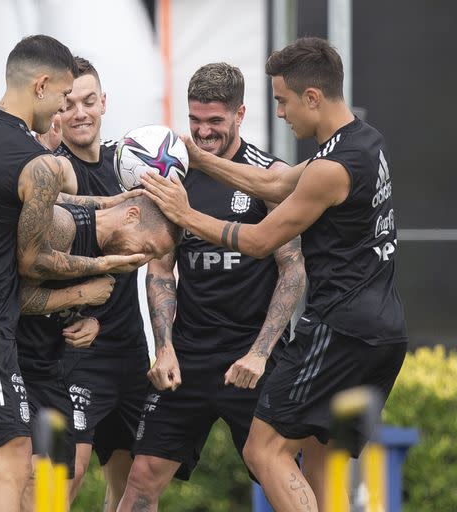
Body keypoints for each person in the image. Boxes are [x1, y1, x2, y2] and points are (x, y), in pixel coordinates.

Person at [141, 38, 407, 511]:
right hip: (381, 334)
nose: (280, 113)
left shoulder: (333, 168)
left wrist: (184, 213)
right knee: (323, 463)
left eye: (283, 101)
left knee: (264, 449)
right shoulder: (364, 141)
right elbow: (276, 181)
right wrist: (198, 158)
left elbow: (261, 240)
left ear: (312, 98)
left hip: (339, 331)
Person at [0, 35, 146, 512]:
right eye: (61, 97)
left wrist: (108, 201)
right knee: (14, 461)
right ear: (41, 85)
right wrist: (104, 267)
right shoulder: (33, 160)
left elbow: (14, 195)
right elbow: (34, 260)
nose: (61, 112)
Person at [117, 62, 306, 511]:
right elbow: (161, 270)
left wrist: (260, 354)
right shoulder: (174, 172)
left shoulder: (267, 177)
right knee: (141, 478)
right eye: (195, 121)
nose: (202, 133)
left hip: (252, 356)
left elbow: (293, 270)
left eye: (215, 122)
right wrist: (164, 346)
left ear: (240, 114)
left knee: (279, 474)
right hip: (190, 354)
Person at [17, 196, 182, 511]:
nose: (142, 258)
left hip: (55, 366)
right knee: (20, 472)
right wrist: (82, 291)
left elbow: (60, 304)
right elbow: (11, 293)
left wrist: (89, 318)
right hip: (13, 359)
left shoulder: (112, 252)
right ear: (131, 214)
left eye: (152, 256)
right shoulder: (66, 225)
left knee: (61, 478)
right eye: (147, 247)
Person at [49, 57, 157, 512]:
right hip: (76, 354)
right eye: (69, 103)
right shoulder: (51, 172)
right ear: (56, 109)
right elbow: (35, 262)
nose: (80, 113)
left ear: (104, 103)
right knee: (63, 479)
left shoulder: (126, 165)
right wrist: (78, 311)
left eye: (89, 101)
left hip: (130, 352)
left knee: (138, 486)